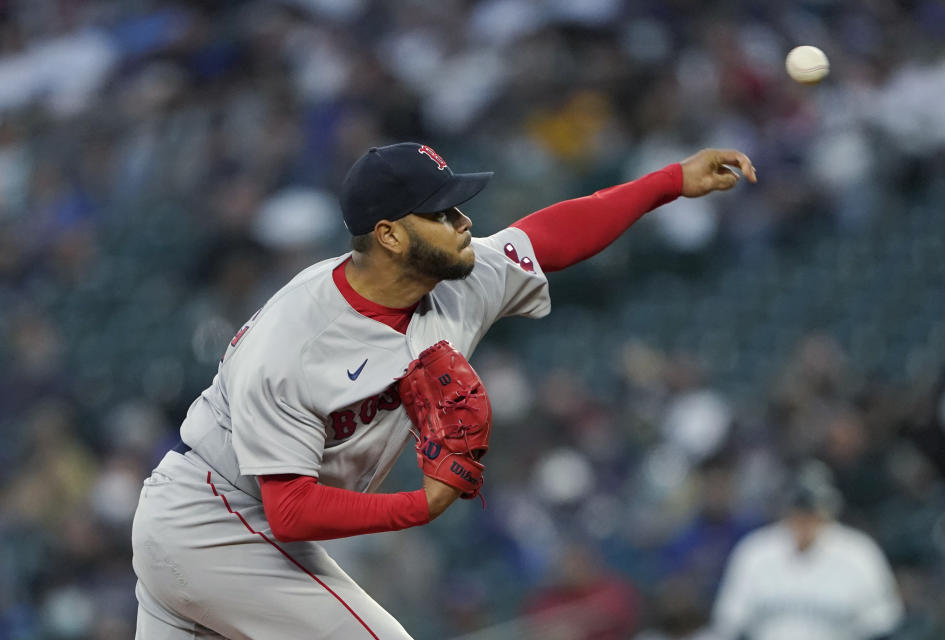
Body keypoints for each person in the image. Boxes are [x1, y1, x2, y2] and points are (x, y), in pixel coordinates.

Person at [131, 141, 757, 639]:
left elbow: (550, 237)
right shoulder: (292, 341)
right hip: (216, 517)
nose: (464, 222)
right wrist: (420, 505)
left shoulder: (456, 279)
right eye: (442, 212)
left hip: (224, 530)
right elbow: (290, 512)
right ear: (390, 236)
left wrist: (670, 181)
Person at [711, 460, 904, 640]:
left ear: (829, 509)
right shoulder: (756, 551)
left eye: (811, 511)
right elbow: (730, 624)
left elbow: (883, 624)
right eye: (799, 510)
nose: (805, 520)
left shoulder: (859, 553)